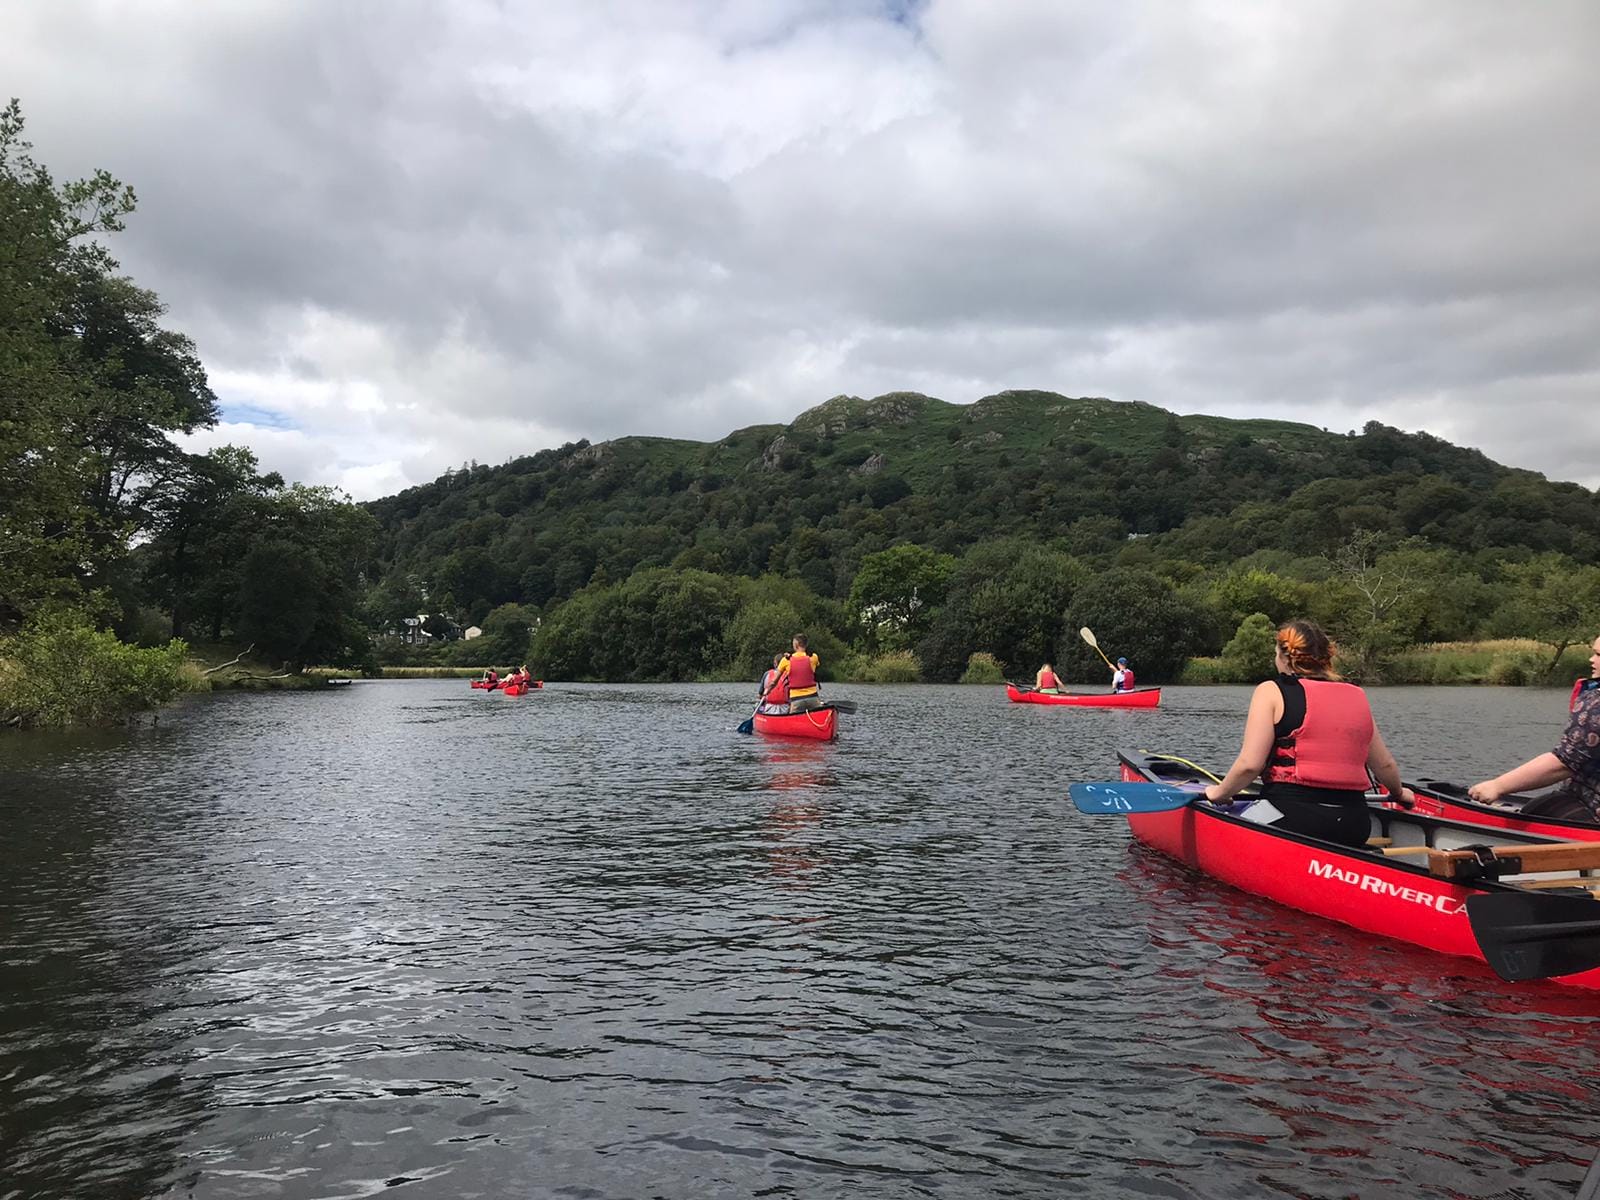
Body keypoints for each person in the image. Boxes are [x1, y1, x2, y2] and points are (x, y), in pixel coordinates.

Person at [1202, 618, 1415, 847]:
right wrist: (1399, 793)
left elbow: (1249, 765)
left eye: (1276, 654)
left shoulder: (1271, 691)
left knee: (1238, 821)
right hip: (1354, 824)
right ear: (1326, 658)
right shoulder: (1356, 695)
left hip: (1292, 819)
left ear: (1285, 657)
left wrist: (1219, 793)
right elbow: (1384, 765)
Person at [1468, 632, 1600, 823]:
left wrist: (1497, 786)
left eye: (1598, 655)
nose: (1591, 659)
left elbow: (1564, 763)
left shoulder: (1596, 705)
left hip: (1589, 806)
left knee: (1536, 812)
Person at [777, 635, 823, 713]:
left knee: (792, 719)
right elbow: (815, 664)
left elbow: (774, 681)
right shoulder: (814, 657)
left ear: (796, 644)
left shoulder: (786, 660)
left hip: (796, 699)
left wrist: (766, 691)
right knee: (819, 713)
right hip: (813, 698)